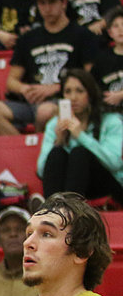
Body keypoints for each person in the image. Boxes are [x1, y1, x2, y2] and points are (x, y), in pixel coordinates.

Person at [0, 0, 100, 136]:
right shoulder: (27, 38)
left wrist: (55, 88)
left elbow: (91, 77)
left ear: (63, 3)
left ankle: (41, 152)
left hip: (66, 101)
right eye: (42, 3)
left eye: (52, 2)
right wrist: (25, 89)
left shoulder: (82, 35)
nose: (47, 8)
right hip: (32, 101)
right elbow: (11, 81)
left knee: (45, 112)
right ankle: (24, 151)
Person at [37, 69, 123, 205]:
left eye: (79, 91)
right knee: (56, 153)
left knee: (79, 153)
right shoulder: (55, 123)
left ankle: (65, 210)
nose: (73, 97)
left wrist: (80, 135)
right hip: (69, 187)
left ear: (90, 94)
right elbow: (41, 171)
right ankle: (53, 210)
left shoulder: (111, 120)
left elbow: (114, 164)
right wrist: (58, 141)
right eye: (68, 92)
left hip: (106, 184)